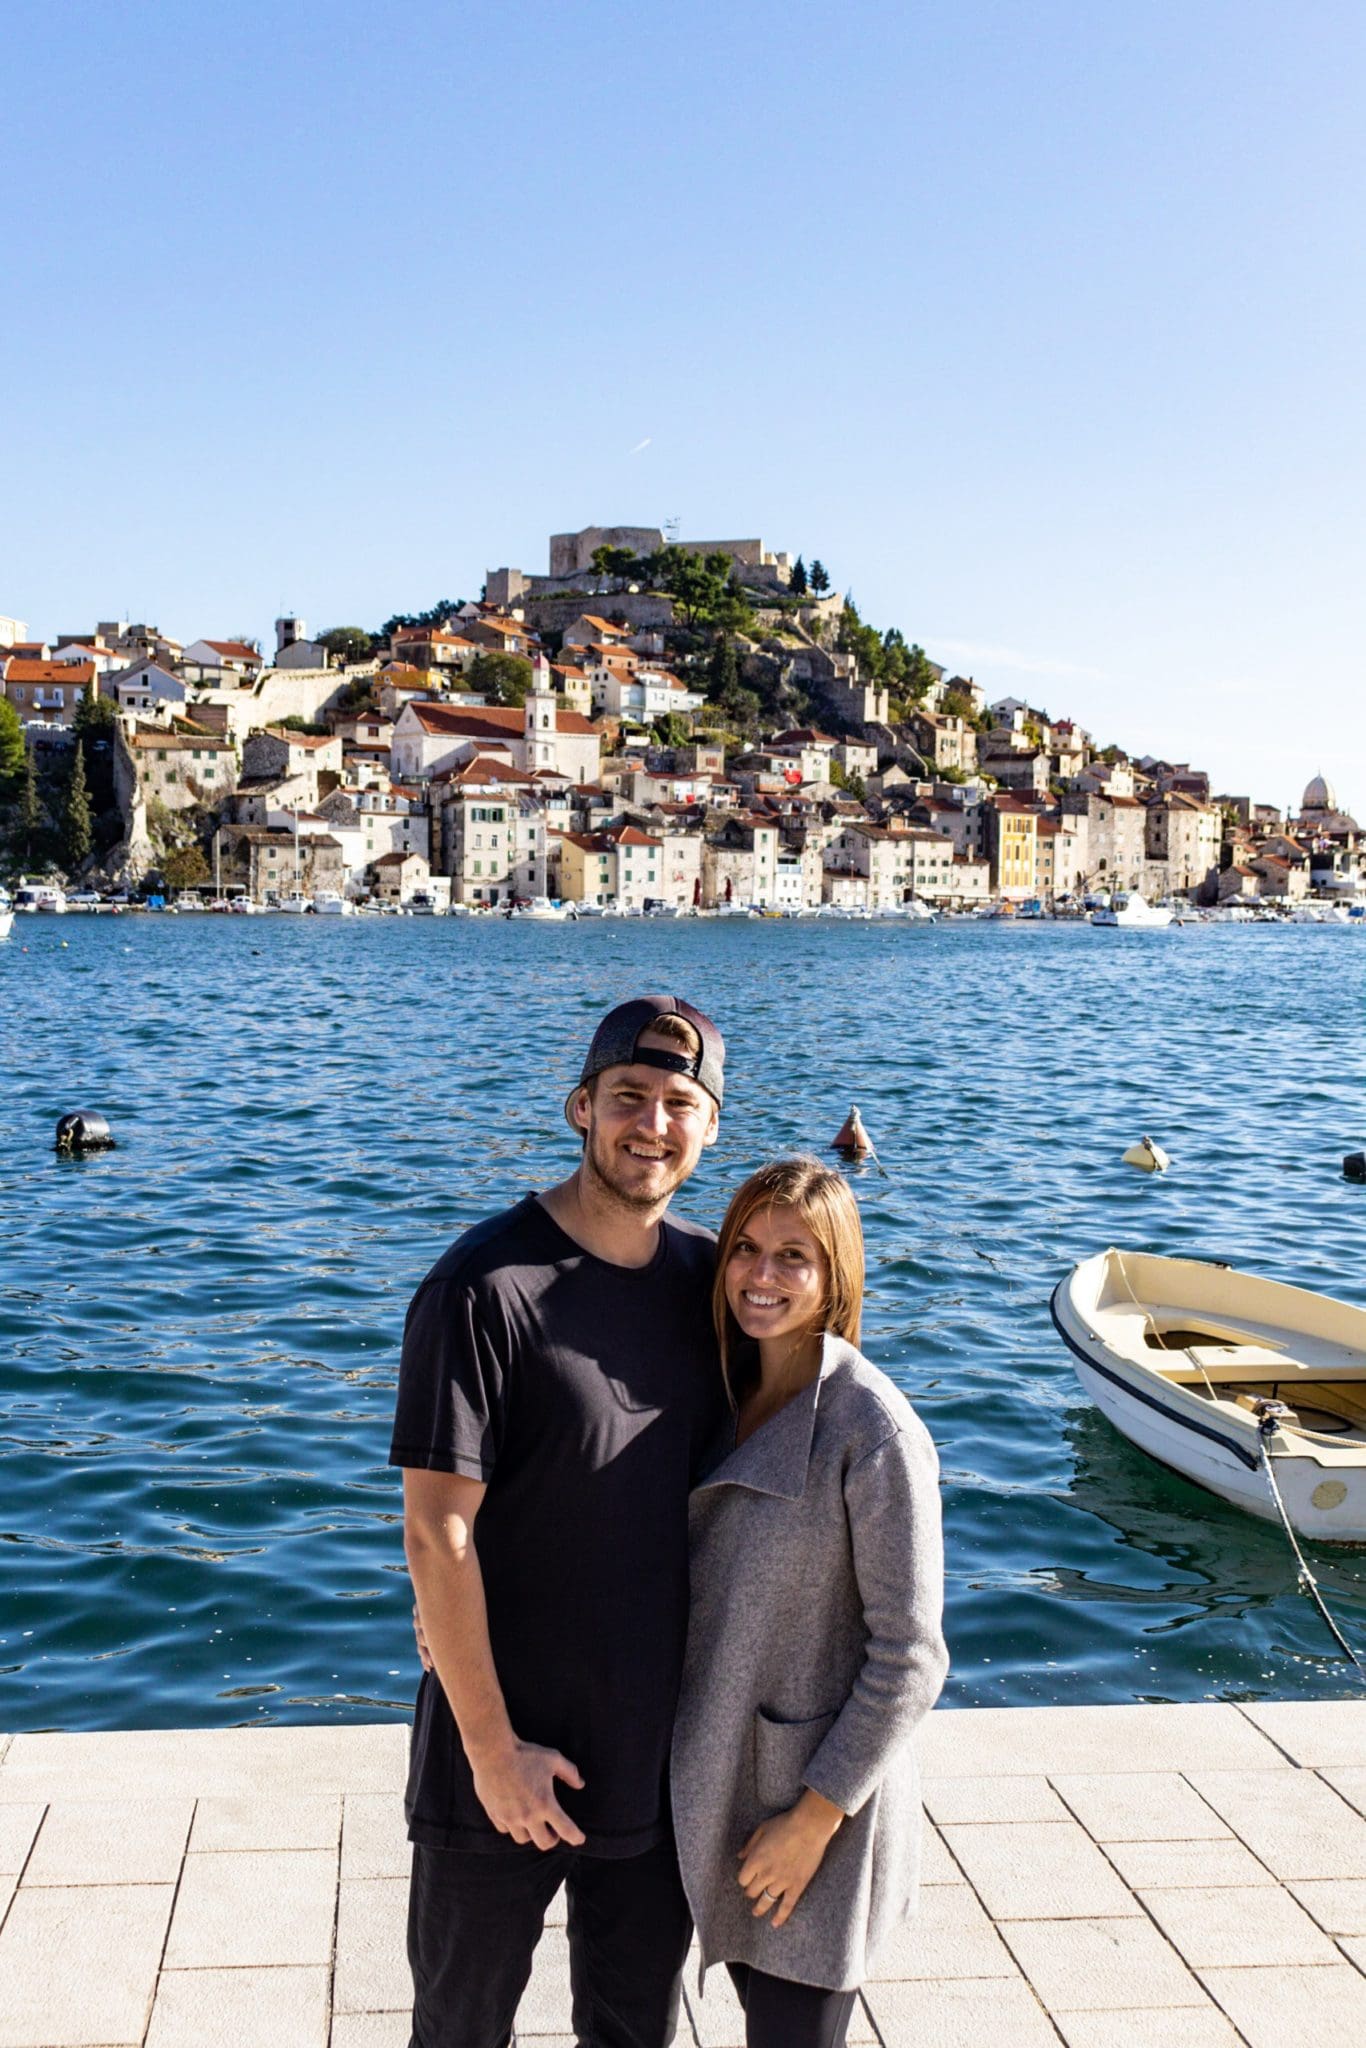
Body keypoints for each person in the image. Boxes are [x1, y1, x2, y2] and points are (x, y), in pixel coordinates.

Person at [390, 995, 728, 2048]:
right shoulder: (482, 1286)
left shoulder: (714, 1282)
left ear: (708, 1126)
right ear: (581, 1106)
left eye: (681, 1101)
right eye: (629, 1096)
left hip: (654, 1754)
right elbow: (434, 1533)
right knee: (460, 2027)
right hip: (500, 1748)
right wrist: (494, 1751)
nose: (653, 1123)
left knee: (632, 2030)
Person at [671, 1156, 948, 2048]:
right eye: (746, 1248)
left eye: (795, 1256)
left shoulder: (873, 1430)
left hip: (815, 1812)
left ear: (836, 1276)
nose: (762, 1275)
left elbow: (911, 1656)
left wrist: (813, 1819)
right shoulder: (717, 1394)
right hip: (719, 1779)